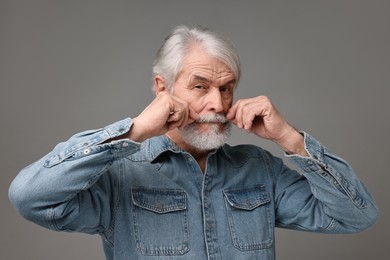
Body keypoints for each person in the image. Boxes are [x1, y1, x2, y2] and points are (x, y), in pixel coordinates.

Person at [9, 25, 378, 260]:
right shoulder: (119, 174)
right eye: (200, 86)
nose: (217, 104)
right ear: (162, 88)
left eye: (226, 88)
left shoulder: (259, 168)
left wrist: (290, 138)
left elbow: (356, 216)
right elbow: (30, 197)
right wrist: (134, 131)